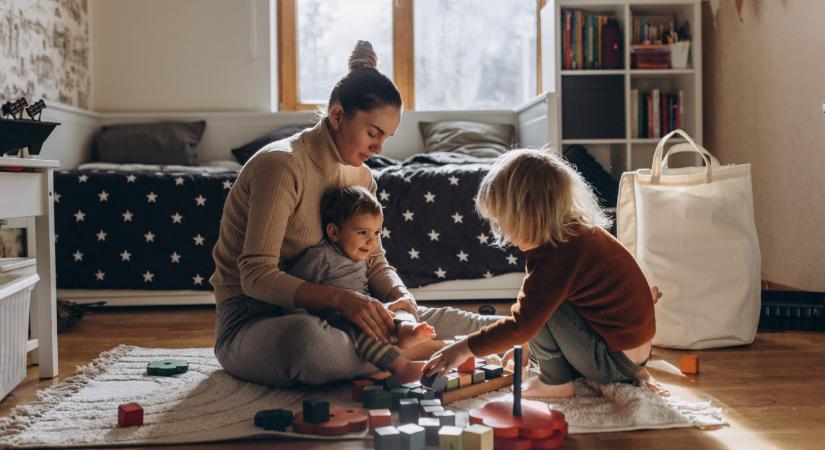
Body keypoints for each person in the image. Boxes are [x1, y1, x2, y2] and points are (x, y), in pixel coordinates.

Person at [210, 40, 501, 387]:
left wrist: (400, 297)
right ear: (336, 116)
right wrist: (344, 300)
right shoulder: (282, 165)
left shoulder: (362, 176)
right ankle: (439, 352)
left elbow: (374, 262)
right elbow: (256, 276)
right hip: (261, 321)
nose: (379, 148)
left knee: (425, 316)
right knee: (309, 344)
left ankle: (486, 339)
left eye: (387, 138)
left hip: (340, 316)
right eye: (373, 133)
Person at [422, 149, 659, 398]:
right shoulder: (576, 235)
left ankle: (555, 382)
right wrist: (526, 344)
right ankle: (561, 369)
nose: (501, 232)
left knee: (537, 308)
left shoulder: (555, 255)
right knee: (542, 301)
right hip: (630, 354)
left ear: (528, 214)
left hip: (613, 362)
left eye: (503, 221)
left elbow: (524, 323)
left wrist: (462, 349)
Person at [287, 186, 436, 382]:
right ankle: (401, 367)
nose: (371, 241)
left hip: (367, 307)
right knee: (364, 331)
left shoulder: (361, 257)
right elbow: (295, 290)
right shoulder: (320, 256)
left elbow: (378, 279)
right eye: (363, 232)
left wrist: (393, 307)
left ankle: (406, 329)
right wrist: (303, 320)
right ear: (334, 232)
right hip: (337, 317)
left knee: (399, 308)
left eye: (376, 233)